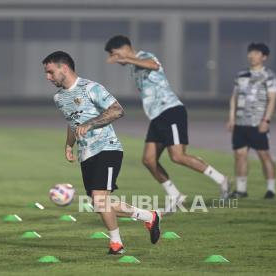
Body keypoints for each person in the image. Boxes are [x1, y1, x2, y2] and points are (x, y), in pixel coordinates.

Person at [42, 51, 161, 255]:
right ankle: (148, 217)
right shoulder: (59, 98)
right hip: (86, 153)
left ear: (64, 68)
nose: (48, 77)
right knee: (100, 205)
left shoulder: (91, 88)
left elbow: (117, 110)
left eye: (50, 72)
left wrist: (90, 124)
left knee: (99, 200)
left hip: (107, 148)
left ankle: (116, 244)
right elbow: (72, 123)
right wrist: (69, 145)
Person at [104, 35, 231, 210]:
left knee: (178, 156)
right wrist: (126, 59)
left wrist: (126, 58)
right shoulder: (134, 67)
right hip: (157, 117)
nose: (115, 59)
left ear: (124, 48)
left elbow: (153, 65)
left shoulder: (145, 56)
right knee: (149, 160)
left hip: (170, 111)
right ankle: (175, 195)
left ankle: (222, 180)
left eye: (114, 54)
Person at [227, 42, 276, 199]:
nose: (252, 56)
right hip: (240, 124)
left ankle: (271, 189)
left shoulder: (269, 76)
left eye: (256, 53)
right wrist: (231, 118)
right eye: (250, 53)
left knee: (264, 156)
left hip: (258, 123)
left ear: (264, 57)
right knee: (240, 155)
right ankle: (241, 190)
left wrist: (266, 120)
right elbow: (234, 97)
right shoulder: (241, 74)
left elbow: (272, 100)